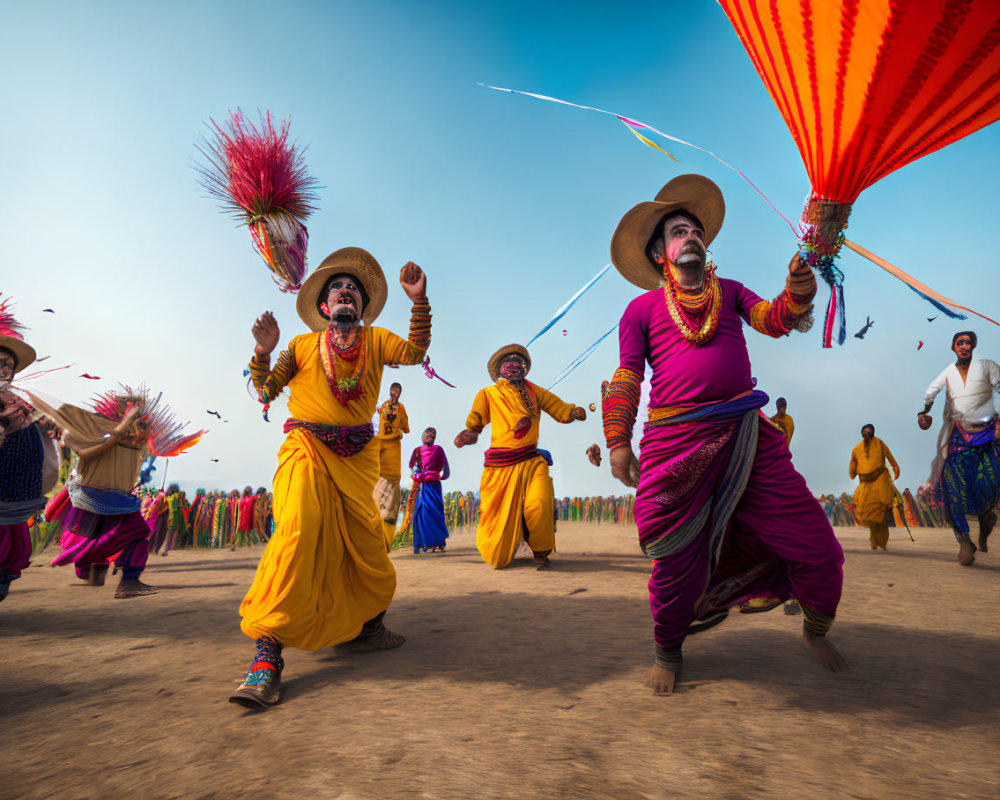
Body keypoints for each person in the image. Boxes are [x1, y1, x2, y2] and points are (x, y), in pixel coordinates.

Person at [601, 174, 846, 695]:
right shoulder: (639, 310)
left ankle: (815, 628)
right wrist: (618, 438)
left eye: (694, 228)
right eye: (676, 231)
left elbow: (776, 318)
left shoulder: (730, 292)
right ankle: (668, 650)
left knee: (817, 545)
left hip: (747, 438)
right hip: (673, 448)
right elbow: (627, 374)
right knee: (674, 564)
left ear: (705, 245)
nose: (689, 234)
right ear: (659, 254)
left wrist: (800, 285)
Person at [231, 247, 431, 708]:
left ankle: (365, 625)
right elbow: (264, 391)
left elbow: (416, 351)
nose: (346, 292)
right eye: (337, 289)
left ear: (360, 308)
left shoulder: (377, 340)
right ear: (324, 308)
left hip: (359, 457)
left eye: (354, 290)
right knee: (299, 530)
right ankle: (267, 654)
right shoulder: (301, 346)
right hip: (306, 448)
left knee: (369, 548)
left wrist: (418, 301)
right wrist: (262, 352)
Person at [30, 386, 202, 598]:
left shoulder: (139, 434)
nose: (135, 411)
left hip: (117, 498)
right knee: (106, 538)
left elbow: (145, 454)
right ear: (119, 408)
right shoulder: (93, 427)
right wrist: (116, 432)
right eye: (130, 406)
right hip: (91, 495)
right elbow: (84, 450)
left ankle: (123, 580)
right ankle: (123, 580)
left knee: (111, 537)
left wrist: (149, 460)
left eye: (139, 407)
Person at [454, 344, 586, 570]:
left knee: (539, 504)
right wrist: (469, 435)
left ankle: (541, 551)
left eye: (519, 362)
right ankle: (504, 547)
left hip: (533, 462)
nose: (515, 365)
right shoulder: (487, 394)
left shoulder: (535, 391)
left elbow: (557, 407)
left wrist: (572, 412)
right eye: (509, 362)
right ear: (500, 369)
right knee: (496, 548)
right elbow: (475, 424)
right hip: (500, 467)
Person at [918, 331, 1000, 565]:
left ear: (973, 346)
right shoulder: (948, 371)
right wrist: (923, 413)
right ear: (954, 347)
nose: (964, 346)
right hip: (958, 440)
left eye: (967, 342)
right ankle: (964, 540)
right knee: (953, 490)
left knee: (987, 492)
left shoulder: (987, 366)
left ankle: (986, 525)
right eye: (959, 342)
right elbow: (929, 393)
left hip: (987, 437)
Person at [0, 314, 58, 601]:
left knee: (12, 552)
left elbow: (46, 423)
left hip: (18, 494)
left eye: (7, 365)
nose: (2, 369)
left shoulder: (22, 401)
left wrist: (53, 424)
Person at [395, 427, 450, 553]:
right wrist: (441, 476)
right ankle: (435, 542)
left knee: (424, 513)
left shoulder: (419, 451)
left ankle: (424, 544)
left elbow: (411, 468)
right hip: (431, 484)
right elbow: (446, 470)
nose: (429, 436)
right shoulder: (436, 449)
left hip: (425, 485)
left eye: (431, 434)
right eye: (429, 434)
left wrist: (416, 476)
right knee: (433, 513)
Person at [848, 424, 901, 550]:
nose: (866, 433)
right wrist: (853, 472)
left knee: (881, 513)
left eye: (869, 431)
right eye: (864, 431)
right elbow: (853, 466)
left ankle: (882, 542)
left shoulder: (880, 444)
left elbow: (890, 457)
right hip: (866, 484)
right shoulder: (856, 449)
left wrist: (895, 469)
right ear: (861, 433)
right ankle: (874, 541)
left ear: (873, 432)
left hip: (880, 481)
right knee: (869, 514)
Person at [373, 382, 409, 546]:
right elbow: (405, 428)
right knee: (380, 483)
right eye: (394, 391)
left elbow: (406, 427)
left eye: (397, 391)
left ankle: (385, 540)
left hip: (392, 452)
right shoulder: (383, 408)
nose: (395, 393)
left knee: (391, 484)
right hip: (384, 448)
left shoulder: (397, 408)